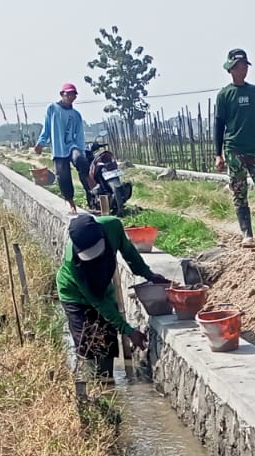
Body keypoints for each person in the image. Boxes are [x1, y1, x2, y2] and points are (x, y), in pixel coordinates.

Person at [55, 212, 168, 379]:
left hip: (102, 288)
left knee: (107, 342)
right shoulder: (73, 263)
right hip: (75, 296)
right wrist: (129, 331)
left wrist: (148, 274)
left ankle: (107, 382)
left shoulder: (112, 226)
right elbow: (98, 301)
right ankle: (92, 388)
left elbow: (129, 252)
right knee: (89, 344)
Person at [213, 49, 255, 245]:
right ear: (231, 69)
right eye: (239, 66)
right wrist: (218, 154)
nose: (243, 70)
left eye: (245, 66)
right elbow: (219, 125)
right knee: (239, 191)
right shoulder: (224, 95)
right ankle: (247, 234)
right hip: (234, 149)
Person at [35, 83, 92, 210]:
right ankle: (71, 203)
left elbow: (80, 135)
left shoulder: (76, 115)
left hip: (72, 146)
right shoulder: (52, 108)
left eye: (73, 94)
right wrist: (41, 142)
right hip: (59, 149)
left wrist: (81, 150)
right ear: (62, 95)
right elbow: (47, 128)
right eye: (68, 94)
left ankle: (90, 182)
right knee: (63, 177)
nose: (71, 97)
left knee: (80, 160)